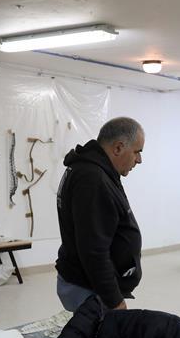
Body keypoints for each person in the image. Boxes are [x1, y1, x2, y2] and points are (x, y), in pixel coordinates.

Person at [56, 117, 144, 312]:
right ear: (118, 148)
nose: (139, 160)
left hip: (90, 286)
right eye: (137, 151)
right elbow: (94, 250)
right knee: (100, 332)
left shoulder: (95, 171)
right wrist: (114, 301)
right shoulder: (92, 179)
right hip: (89, 289)